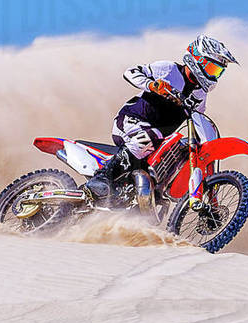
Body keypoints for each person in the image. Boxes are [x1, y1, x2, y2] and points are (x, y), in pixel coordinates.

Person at [84, 34, 237, 206]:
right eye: (211, 68)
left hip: (157, 139)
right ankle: (102, 177)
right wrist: (152, 85)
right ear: (197, 59)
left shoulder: (200, 95)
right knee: (152, 136)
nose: (213, 74)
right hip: (131, 121)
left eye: (218, 71)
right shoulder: (170, 70)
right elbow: (131, 72)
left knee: (181, 149)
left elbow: (198, 119)